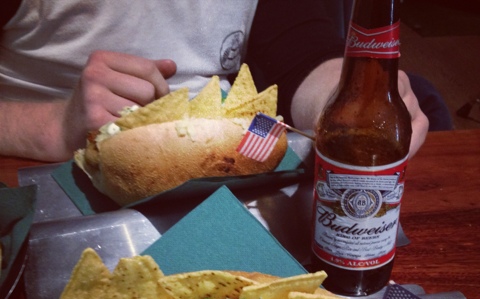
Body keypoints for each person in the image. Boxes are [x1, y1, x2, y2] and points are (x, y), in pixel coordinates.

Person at [0, 0, 429, 163]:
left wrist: (344, 96)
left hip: (232, 164)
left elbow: (301, 49)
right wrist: (55, 126)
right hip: (54, 171)